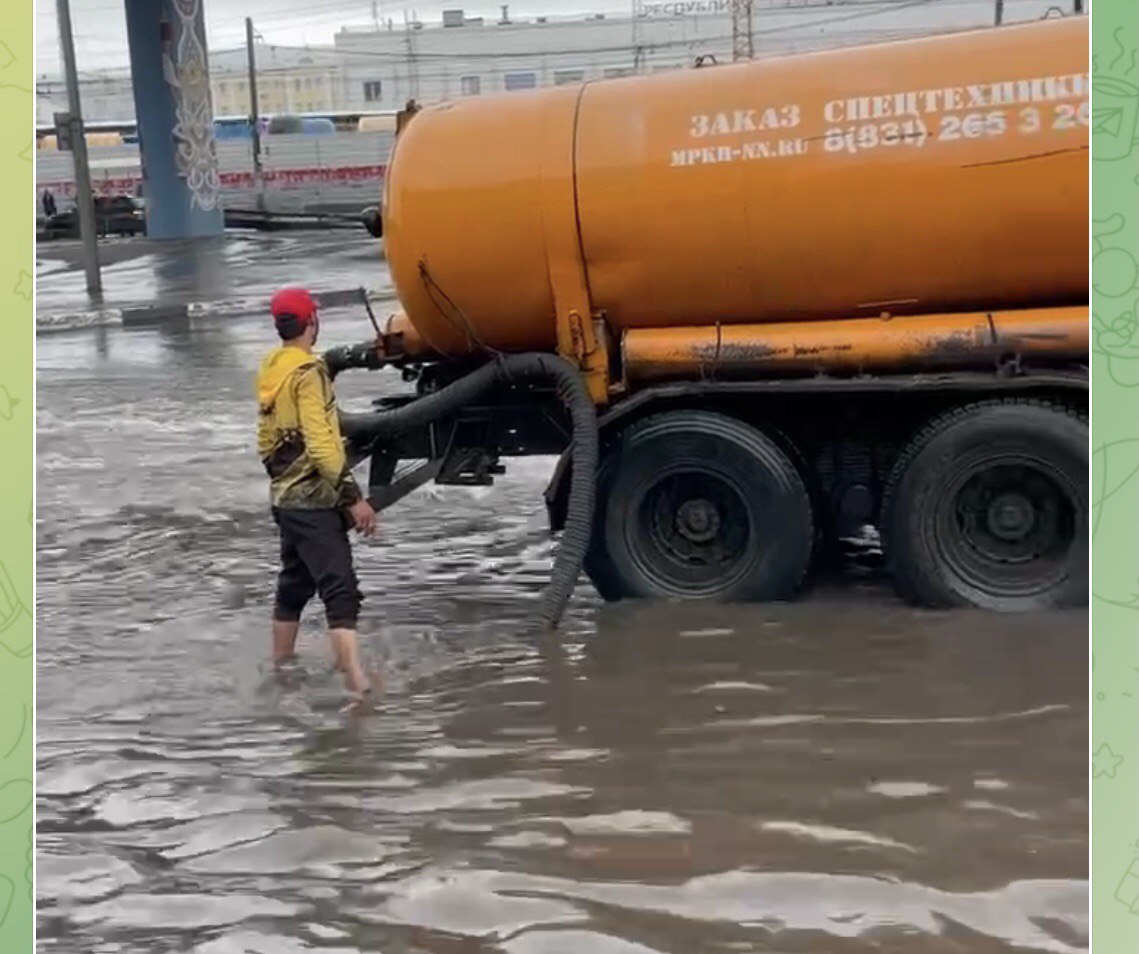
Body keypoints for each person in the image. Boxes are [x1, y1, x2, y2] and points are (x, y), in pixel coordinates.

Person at [256, 287, 379, 711]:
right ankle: (356, 684)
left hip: (285, 499)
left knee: (294, 582)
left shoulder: (273, 368)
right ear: (312, 322)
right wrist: (353, 498)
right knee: (340, 589)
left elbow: (266, 441)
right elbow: (324, 443)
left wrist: (285, 485)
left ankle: (280, 669)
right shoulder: (309, 372)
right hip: (312, 498)